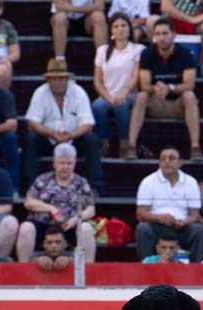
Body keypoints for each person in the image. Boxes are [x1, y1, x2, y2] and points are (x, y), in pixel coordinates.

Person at [126, 18, 201, 161]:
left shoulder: (185, 54)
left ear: (174, 35)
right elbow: (144, 85)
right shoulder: (147, 54)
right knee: (141, 96)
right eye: (158, 34)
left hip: (177, 104)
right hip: (156, 102)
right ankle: (131, 147)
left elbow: (190, 84)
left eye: (165, 33)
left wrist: (171, 88)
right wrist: (156, 88)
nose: (161, 38)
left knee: (190, 95)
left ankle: (195, 147)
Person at [23, 59, 103, 192]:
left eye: (61, 78)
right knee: (30, 138)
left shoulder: (78, 92)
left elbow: (88, 124)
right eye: (54, 79)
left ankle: (95, 186)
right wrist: (51, 134)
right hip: (48, 139)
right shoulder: (40, 92)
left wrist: (72, 134)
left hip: (73, 139)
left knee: (92, 139)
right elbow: (32, 122)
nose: (57, 82)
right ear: (48, 80)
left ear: (67, 79)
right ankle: (30, 186)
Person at [16, 143, 96, 263]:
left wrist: (75, 219)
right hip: (43, 225)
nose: (65, 167)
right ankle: (24, 270)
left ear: (74, 164)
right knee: (26, 227)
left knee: (86, 228)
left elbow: (91, 209)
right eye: (62, 163)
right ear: (54, 164)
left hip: (69, 226)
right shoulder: (43, 179)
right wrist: (50, 208)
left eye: (69, 163)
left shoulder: (81, 182)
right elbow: (28, 202)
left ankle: (88, 270)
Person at [135, 146, 203, 261]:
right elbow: (140, 214)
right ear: (159, 163)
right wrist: (159, 218)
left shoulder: (191, 182)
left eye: (171, 158)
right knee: (142, 228)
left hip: (182, 227)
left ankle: (195, 271)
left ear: (180, 163)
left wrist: (184, 221)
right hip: (157, 226)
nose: (167, 162)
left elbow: (194, 214)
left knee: (199, 230)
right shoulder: (148, 182)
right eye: (163, 159)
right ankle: (146, 270)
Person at [92, 13, 144, 158]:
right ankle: (104, 142)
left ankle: (124, 143)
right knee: (97, 106)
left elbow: (135, 75)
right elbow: (97, 80)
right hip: (107, 95)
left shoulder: (138, 49)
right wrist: (107, 96)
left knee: (121, 104)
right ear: (111, 31)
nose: (120, 29)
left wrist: (124, 91)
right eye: (116, 26)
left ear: (129, 29)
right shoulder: (102, 50)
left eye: (123, 25)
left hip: (129, 95)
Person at [161, 0, 203, 71]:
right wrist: (191, 19)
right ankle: (158, 62)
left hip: (195, 23)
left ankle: (201, 67)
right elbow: (165, 7)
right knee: (152, 21)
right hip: (172, 20)